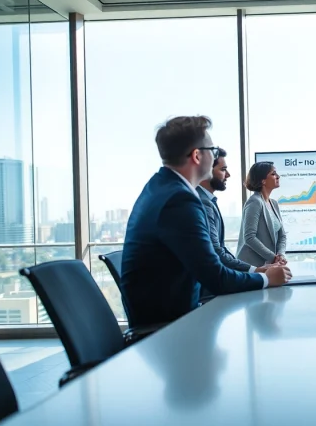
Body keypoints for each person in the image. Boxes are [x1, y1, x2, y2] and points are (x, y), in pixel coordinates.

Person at [121, 116, 291, 328]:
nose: (216, 155)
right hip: (169, 328)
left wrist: (260, 272)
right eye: (213, 150)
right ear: (197, 156)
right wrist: (266, 278)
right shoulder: (179, 200)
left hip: (171, 317)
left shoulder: (160, 187)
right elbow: (215, 277)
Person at [197, 148, 277, 298]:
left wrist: (256, 269)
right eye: (223, 170)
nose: (228, 175)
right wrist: (256, 271)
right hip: (205, 291)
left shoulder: (209, 200)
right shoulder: (202, 202)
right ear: (206, 171)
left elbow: (221, 248)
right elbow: (217, 251)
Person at [237, 161, 288, 267]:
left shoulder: (274, 203)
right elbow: (249, 237)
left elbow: (282, 236)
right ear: (263, 180)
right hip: (251, 266)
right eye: (273, 174)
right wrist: (273, 257)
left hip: (269, 265)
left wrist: (281, 255)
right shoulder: (254, 202)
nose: (278, 176)